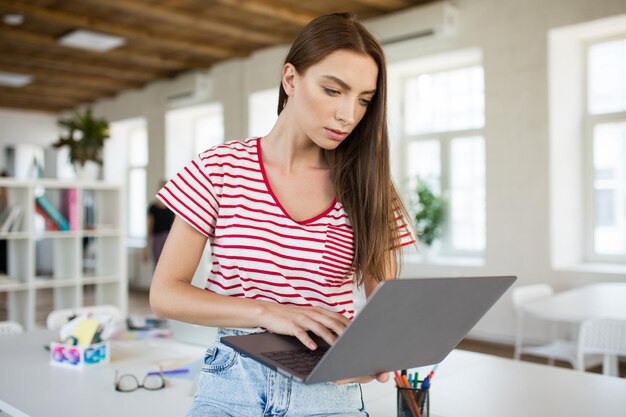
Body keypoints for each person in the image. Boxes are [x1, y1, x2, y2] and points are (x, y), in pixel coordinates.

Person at [150, 12, 415, 416]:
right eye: (333, 90)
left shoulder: (369, 186)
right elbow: (165, 294)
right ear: (290, 79)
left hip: (327, 393)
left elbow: (387, 313)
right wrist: (269, 312)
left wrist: (372, 356)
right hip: (231, 384)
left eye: (363, 100)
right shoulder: (219, 168)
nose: (349, 114)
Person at [142, 180, 175, 266]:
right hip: (156, 239)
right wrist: (146, 248)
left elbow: (174, 229)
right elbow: (149, 228)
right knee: (157, 266)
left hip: (168, 240)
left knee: (167, 266)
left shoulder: (172, 208)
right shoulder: (153, 207)